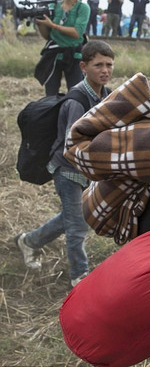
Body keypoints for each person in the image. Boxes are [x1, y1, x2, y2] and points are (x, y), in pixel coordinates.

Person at [15, 40, 114, 287]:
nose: (105, 70)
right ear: (83, 66)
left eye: (109, 65)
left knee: (72, 218)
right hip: (67, 170)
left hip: (86, 170)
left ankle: (28, 241)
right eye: (98, 65)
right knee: (78, 226)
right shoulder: (77, 100)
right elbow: (73, 143)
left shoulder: (108, 95)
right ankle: (80, 277)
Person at [34, 0, 90, 96]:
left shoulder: (83, 8)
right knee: (50, 95)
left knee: (76, 93)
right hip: (54, 55)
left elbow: (77, 33)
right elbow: (47, 36)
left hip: (74, 55)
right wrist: (41, 24)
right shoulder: (53, 6)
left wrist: (53, 25)